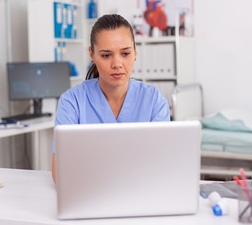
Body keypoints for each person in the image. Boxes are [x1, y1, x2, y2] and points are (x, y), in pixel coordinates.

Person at [52, 14, 170, 183]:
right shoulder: (72, 102)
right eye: (106, 55)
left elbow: (162, 165)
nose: (117, 64)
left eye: (125, 53)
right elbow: (60, 171)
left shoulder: (153, 101)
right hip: (88, 195)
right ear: (92, 54)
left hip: (141, 194)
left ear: (135, 52)